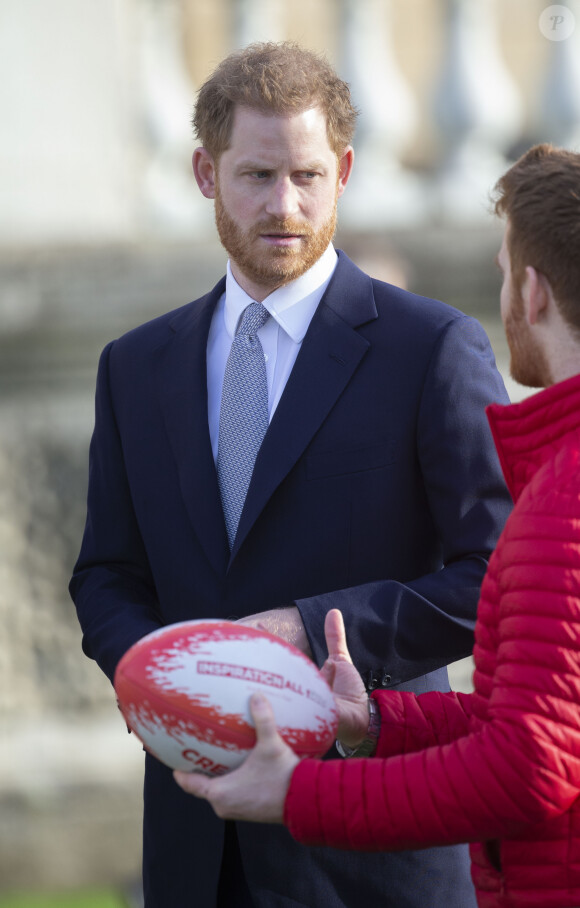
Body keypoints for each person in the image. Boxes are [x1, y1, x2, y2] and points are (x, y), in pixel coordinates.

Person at [70, 41, 512, 908]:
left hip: (374, 848)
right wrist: (156, 674)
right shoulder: (134, 365)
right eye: (258, 175)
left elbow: (493, 580)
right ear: (204, 171)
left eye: (309, 176)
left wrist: (307, 631)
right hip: (197, 852)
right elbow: (107, 574)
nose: (286, 205)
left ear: (344, 171)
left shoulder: (432, 349)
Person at [174, 143, 580, 908]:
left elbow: (529, 767)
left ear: (530, 291)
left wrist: (299, 796)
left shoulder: (562, 505)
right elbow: (542, 721)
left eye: (500, 271)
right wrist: (376, 723)